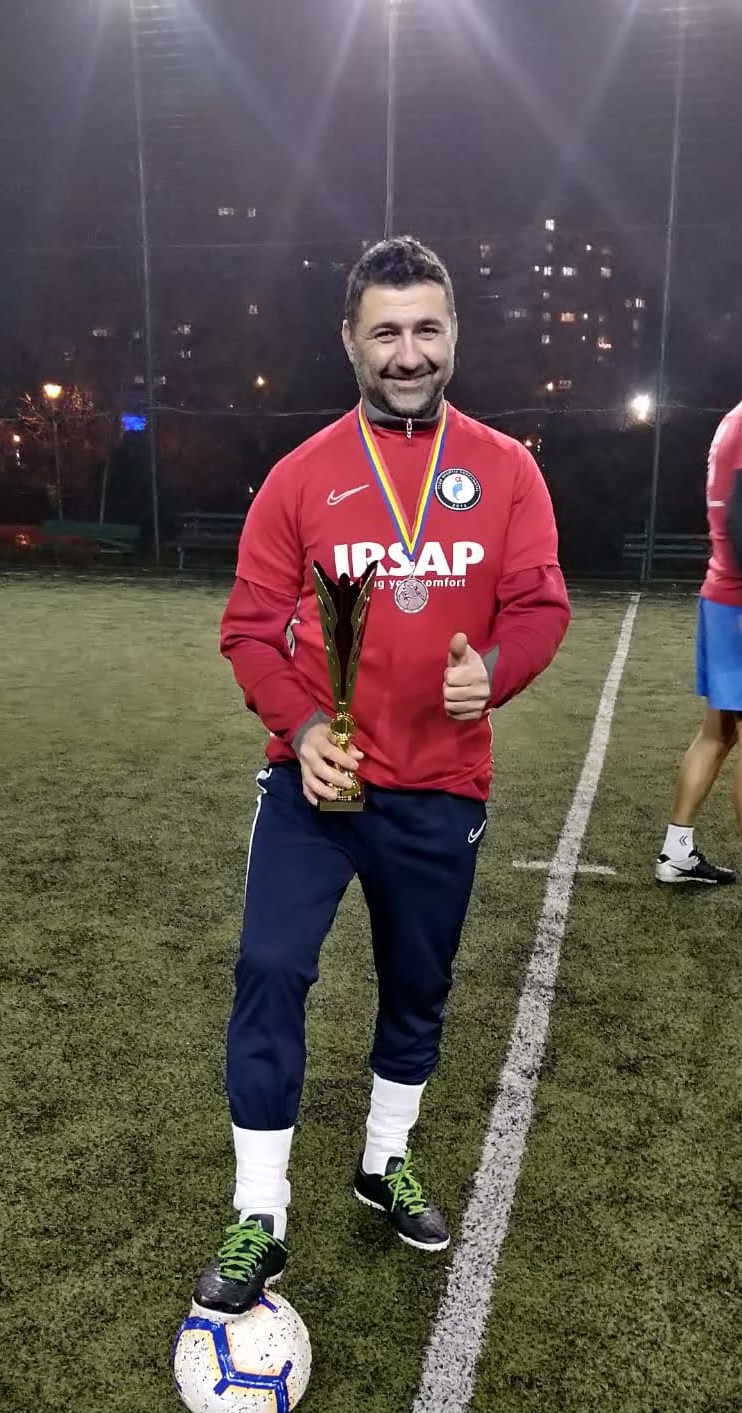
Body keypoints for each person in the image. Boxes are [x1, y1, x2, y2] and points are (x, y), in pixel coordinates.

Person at [194, 236, 571, 1317]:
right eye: (387, 332)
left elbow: (540, 606)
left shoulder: (506, 470)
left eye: (426, 329)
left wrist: (492, 671)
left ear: (453, 334)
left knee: (417, 986)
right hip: (316, 786)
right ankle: (260, 1213)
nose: (409, 354)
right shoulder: (302, 476)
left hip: (441, 787)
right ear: (350, 342)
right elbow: (248, 630)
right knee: (270, 966)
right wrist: (304, 725)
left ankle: (382, 1160)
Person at [656, 400, 742, 886]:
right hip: (739, 601)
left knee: (719, 733)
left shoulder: (733, 419)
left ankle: (676, 854)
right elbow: (741, 520)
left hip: (724, 595)